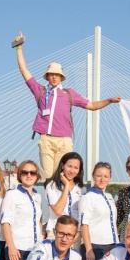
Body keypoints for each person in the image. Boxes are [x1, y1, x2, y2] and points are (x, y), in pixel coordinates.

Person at [13, 31, 122, 179]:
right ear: (47, 76)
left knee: (62, 177)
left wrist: (109, 100)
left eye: (57, 74)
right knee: (48, 176)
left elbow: (92, 105)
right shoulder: (40, 91)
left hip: (64, 141)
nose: (54, 77)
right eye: (51, 74)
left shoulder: (69, 94)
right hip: (46, 139)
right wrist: (19, 47)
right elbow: (24, 70)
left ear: (61, 77)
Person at [44, 152, 84, 251]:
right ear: (62, 166)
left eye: (76, 168)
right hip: (56, 234)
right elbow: (58, 211)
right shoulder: (52, 186)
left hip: (75, 235)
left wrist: (78, 231)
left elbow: (81, 213)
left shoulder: (80, 188)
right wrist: (66, 186)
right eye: (69, 166)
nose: (72, 171)